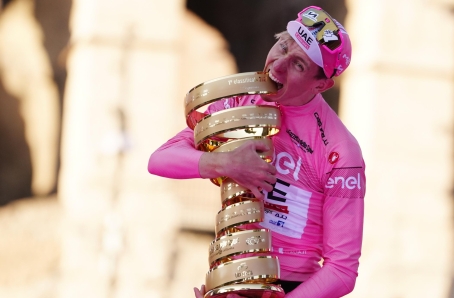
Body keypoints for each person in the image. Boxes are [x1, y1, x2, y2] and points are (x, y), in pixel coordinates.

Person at [148, 6, 365, 298]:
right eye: (283, 45)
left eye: (298, 65)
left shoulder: (340, 150)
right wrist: (224, 163)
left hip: (290, 288)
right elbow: (159, 160)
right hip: (227, 280)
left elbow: (342, 270)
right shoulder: (243, 102)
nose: (277, 65)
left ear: (321, 84)